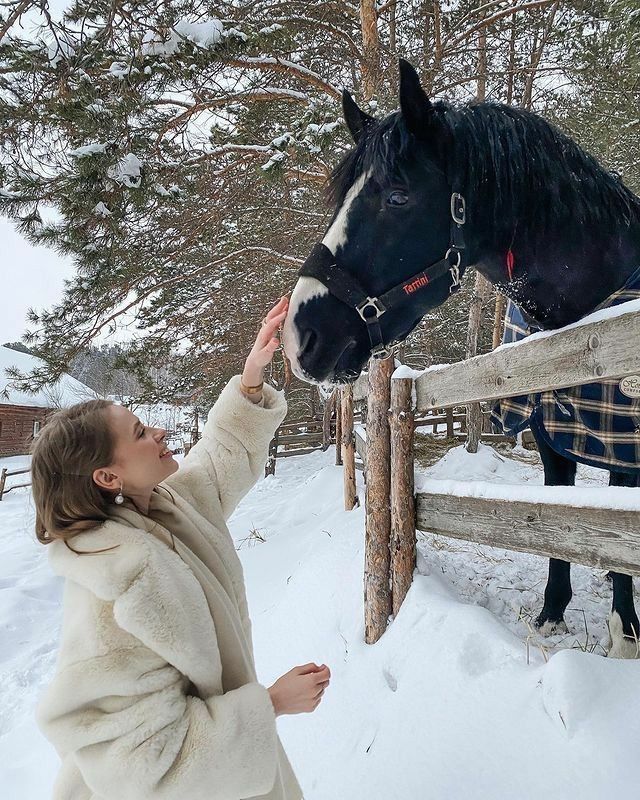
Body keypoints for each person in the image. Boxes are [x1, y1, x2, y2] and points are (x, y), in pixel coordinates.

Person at [33, 296, 330, 800]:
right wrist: (271, 704)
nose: (161, 431)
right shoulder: (116, 585)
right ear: (109, 477)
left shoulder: (162, 508)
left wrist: (251, 377)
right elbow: (139, 763)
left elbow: (216, 464)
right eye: (140, 433)